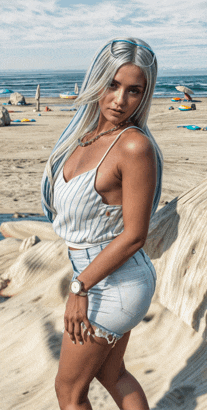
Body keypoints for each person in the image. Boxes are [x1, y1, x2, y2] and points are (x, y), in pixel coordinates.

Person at [41, 37, 163, 410]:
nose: (119, 100)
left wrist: (79, 290)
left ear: (145, 95)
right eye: (112, 84)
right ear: (96, 80)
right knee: (113, 375)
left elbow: (134, 235)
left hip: (115, 283)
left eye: (134, 90)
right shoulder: (81, 137)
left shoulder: (133, 147)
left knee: (70, 392)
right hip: (100, 275)